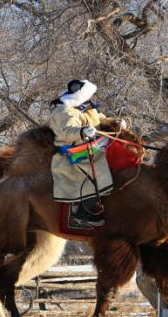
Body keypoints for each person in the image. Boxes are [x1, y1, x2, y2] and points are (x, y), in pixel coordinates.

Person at [48, 80, 125, 228]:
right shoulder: (63, 110)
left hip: (91, 145)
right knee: (98, 172)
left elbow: (101, 119)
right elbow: (67, 131)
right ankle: (82, 214)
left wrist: (115, 122)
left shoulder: (86, 107)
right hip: (72, 151)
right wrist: (82, 131)